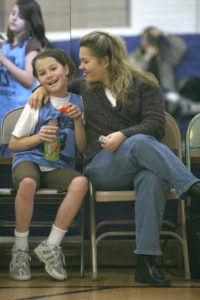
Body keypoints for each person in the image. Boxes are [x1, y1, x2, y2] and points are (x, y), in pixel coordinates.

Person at [29, 31, 200, 287]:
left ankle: (146, 262)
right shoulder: (84, 85)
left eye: (86, 61)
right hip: (102, 167)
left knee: (152, 177)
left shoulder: (144, 84)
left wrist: (122, 135)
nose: (81, 67)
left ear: (105, 61)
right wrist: (42, 86)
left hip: (141, 159)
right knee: (140, 142)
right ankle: (192, 187)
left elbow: (156, 126)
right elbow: (57, 83)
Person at [8, 48, 88, 281]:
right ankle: (20, 250)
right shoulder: (37, 101)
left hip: (59, 163)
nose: (49, 75)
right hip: (30, 159)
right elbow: (13, 145)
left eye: (53, 69)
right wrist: (38, 137)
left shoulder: (79, 102)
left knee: (81, 182)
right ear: (38, 80)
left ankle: (51, 246)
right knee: (28, 183)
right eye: (42, 73)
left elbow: (82, 148)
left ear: (65, 69)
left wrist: (77, 120)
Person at [0, 0, 52, 125]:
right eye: (13, 13)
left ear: (30, 21)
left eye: (21, 16)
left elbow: (29, 80)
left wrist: (4, 60)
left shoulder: (31, 45)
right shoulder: (4, 46)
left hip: (20, 108)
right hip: (3, 105)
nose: (14, 18)